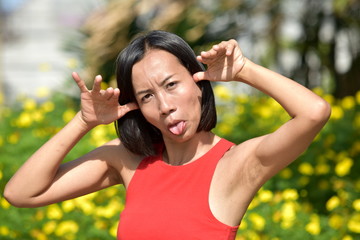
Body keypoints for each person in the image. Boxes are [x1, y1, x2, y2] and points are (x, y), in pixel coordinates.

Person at [4, 30, 331, 239]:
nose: (164, 106)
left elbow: (314, 112)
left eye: (171, 85)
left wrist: (244, 71)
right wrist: (83, 122)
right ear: (137, 106)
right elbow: (21, 194)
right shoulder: (128, 160)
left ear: (198, 84)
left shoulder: (236, 164)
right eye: (147, 96)